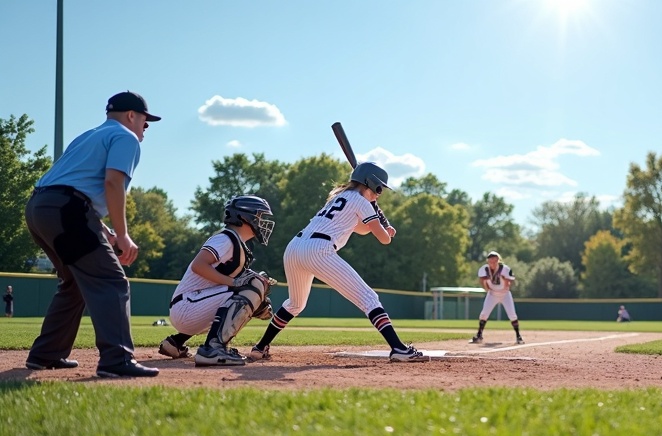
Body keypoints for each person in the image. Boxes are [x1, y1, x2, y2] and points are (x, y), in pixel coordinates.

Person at [23, 91, 161, 378]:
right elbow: (113, 183)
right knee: (111, 280)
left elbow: (70, 184)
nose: (144, 129)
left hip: (40, 208)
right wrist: (122, 235)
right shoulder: (126, 136)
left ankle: (46, 354)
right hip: (67, 210)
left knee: (74, 282)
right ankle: (116, 360)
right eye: (145, 123)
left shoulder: (89, 135)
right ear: (131, 116)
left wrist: (104, 230)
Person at [250, 163, 428, 362]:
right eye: (379, 189)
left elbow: (360, 228)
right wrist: (385, 230)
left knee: (295, 304)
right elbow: (384, 240)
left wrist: (378, 223)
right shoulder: (362, 202)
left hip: (294, 248)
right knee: (369, 298)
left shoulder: (339, 197)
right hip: (318, 249)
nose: (379, 195)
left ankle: (260, 346)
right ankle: (398, 348)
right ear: (371, 184)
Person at [158, 196, 277, 366]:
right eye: (258, 216)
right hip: (187, 305)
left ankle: (176, 342)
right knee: (251, 284)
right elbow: (198, 265)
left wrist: (258, 301)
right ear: (244, 217)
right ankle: (214, 349)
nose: (261, 222)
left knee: (251, 286)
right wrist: (238, 284)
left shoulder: (236, 243)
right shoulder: (226, 239)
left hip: (191, 306)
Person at [470, 251, 523, 344]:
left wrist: (507, 282)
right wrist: (486, 287)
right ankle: (479, 335)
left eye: (494, 261)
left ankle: (518, 336)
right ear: (488, 261)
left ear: (498, 260)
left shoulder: (505, 269)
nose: (492, 263)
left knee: (512, 315)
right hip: (492, 293)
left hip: (505, 293)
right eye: (490, 261)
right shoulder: (484, 269)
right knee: (484, 314)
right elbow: (482, 280)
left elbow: (512, 280)